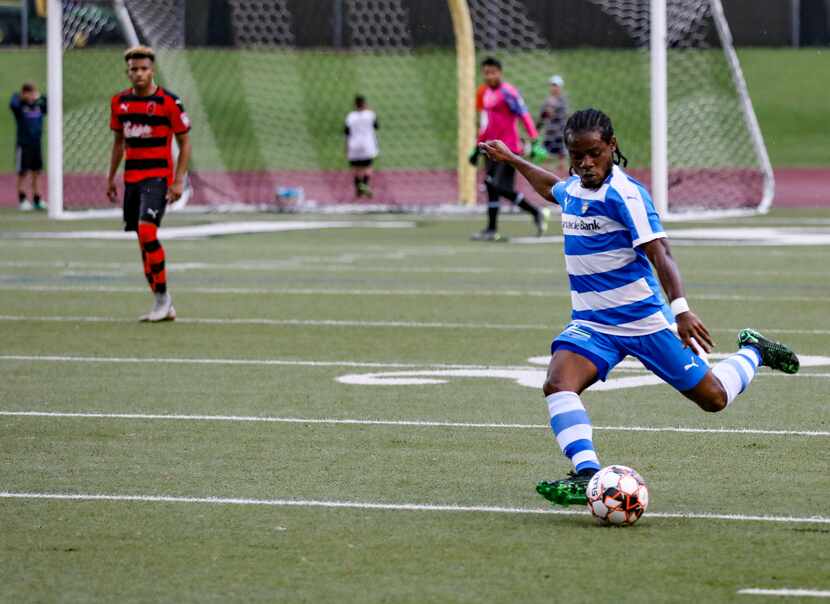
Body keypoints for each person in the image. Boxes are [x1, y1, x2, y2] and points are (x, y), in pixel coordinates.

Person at [478, 108, 800, 507]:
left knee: (714, 399)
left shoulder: (626, 195)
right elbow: (552, 189)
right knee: (558, 383)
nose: (585, 163)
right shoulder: (576, 189)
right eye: (577, 155)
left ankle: (755, 349)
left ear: (612, 146)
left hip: (644, 322)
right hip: (593, 323)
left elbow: (660, 252)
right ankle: (585, 474)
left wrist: (681, 310)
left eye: (594, 153)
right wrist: (512, 159)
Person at [107, 46, 191, 322]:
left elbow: (184, 142)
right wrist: (110, 178)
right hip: (132, 180)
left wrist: (178, 180)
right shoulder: (119, 103)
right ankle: (161, 302)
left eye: (143, 69)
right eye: (134, 69)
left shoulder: (169, 102)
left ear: (152, 70)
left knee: (147, 233)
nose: (139, 73)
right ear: (127, 72)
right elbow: (119, 143)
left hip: (157, 179)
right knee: (142, 242)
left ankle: (163, 298)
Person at [469, 57, 549, 241]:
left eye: (493, 72)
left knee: (496, 185)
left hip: (508, 149)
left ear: (500, 73)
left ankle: (536, 212)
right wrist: (477, 147)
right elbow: (486, 124)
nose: (489, 76)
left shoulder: (508, 93)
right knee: (492, 187)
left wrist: (534, 140)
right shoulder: (485, 93)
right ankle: (491, 230)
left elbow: (524, 115)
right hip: (490, 148)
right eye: (486, 73)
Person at [9, 82, 47, 211]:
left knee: (37, 172)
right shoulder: (20, 106)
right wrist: (22, 98)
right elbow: (13, 102)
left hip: (36, 144)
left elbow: (48, 103)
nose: (32, 96)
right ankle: (22, 199)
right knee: (23, 173)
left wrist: (39, 96)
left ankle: (37, 199)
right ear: (24, 94)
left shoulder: (39, 105)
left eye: (33, 93)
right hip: (24, 144)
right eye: (29, 93)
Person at [345, 95, 378, 198]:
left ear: (355, 104)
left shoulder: (350, 116)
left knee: (356, 169)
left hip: (353, 145)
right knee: (367, 167)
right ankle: (365, 185)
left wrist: (346, 147)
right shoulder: (370, 114)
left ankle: (358, 189)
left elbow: (347, 132)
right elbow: (376, 126)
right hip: (367, 145)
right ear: (364, 104)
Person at [536, 75, 568, 175]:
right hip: (549, 134)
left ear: (560, 87)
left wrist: (552, 108)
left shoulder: (562, 101)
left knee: (562, 160)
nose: (554, 88)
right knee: (545, 158)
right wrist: (536, 129)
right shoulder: (547, 101)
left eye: (556, 86)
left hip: (560, 134)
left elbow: (561, 114)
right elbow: (542, 116)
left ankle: (563, 179)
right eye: (552, 85)